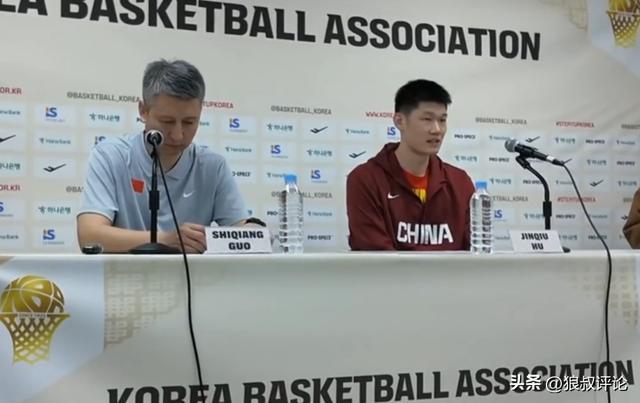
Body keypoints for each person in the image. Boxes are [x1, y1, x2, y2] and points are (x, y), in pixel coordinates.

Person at [77, 59, 248, 253]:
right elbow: (89, 236)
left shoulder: (213, 167)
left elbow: (242, 229)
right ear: (143, 110)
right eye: (167, 121)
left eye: (189, 122)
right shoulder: (110, 156)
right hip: (125, 273)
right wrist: (166, 240)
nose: (178, 135)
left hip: (191, 274)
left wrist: (253, 230)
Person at [346, 79, 475, 251]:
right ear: (400, 121)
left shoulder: (460, 182)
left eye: (442, 120)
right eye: (427, 119)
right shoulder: (365, 179)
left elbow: (475, 253)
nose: (437, 129)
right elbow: (376, 257)